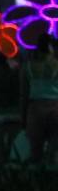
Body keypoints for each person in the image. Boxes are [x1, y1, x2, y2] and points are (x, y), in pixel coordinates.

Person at [21, 33, 58, 164]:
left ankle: (36, 180)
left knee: (36, 152)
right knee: (53, 152)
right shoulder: (56, 65)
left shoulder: (29, 66)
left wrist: (23, 116)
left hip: (35, 109)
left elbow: (24, 93)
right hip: (55, 107)